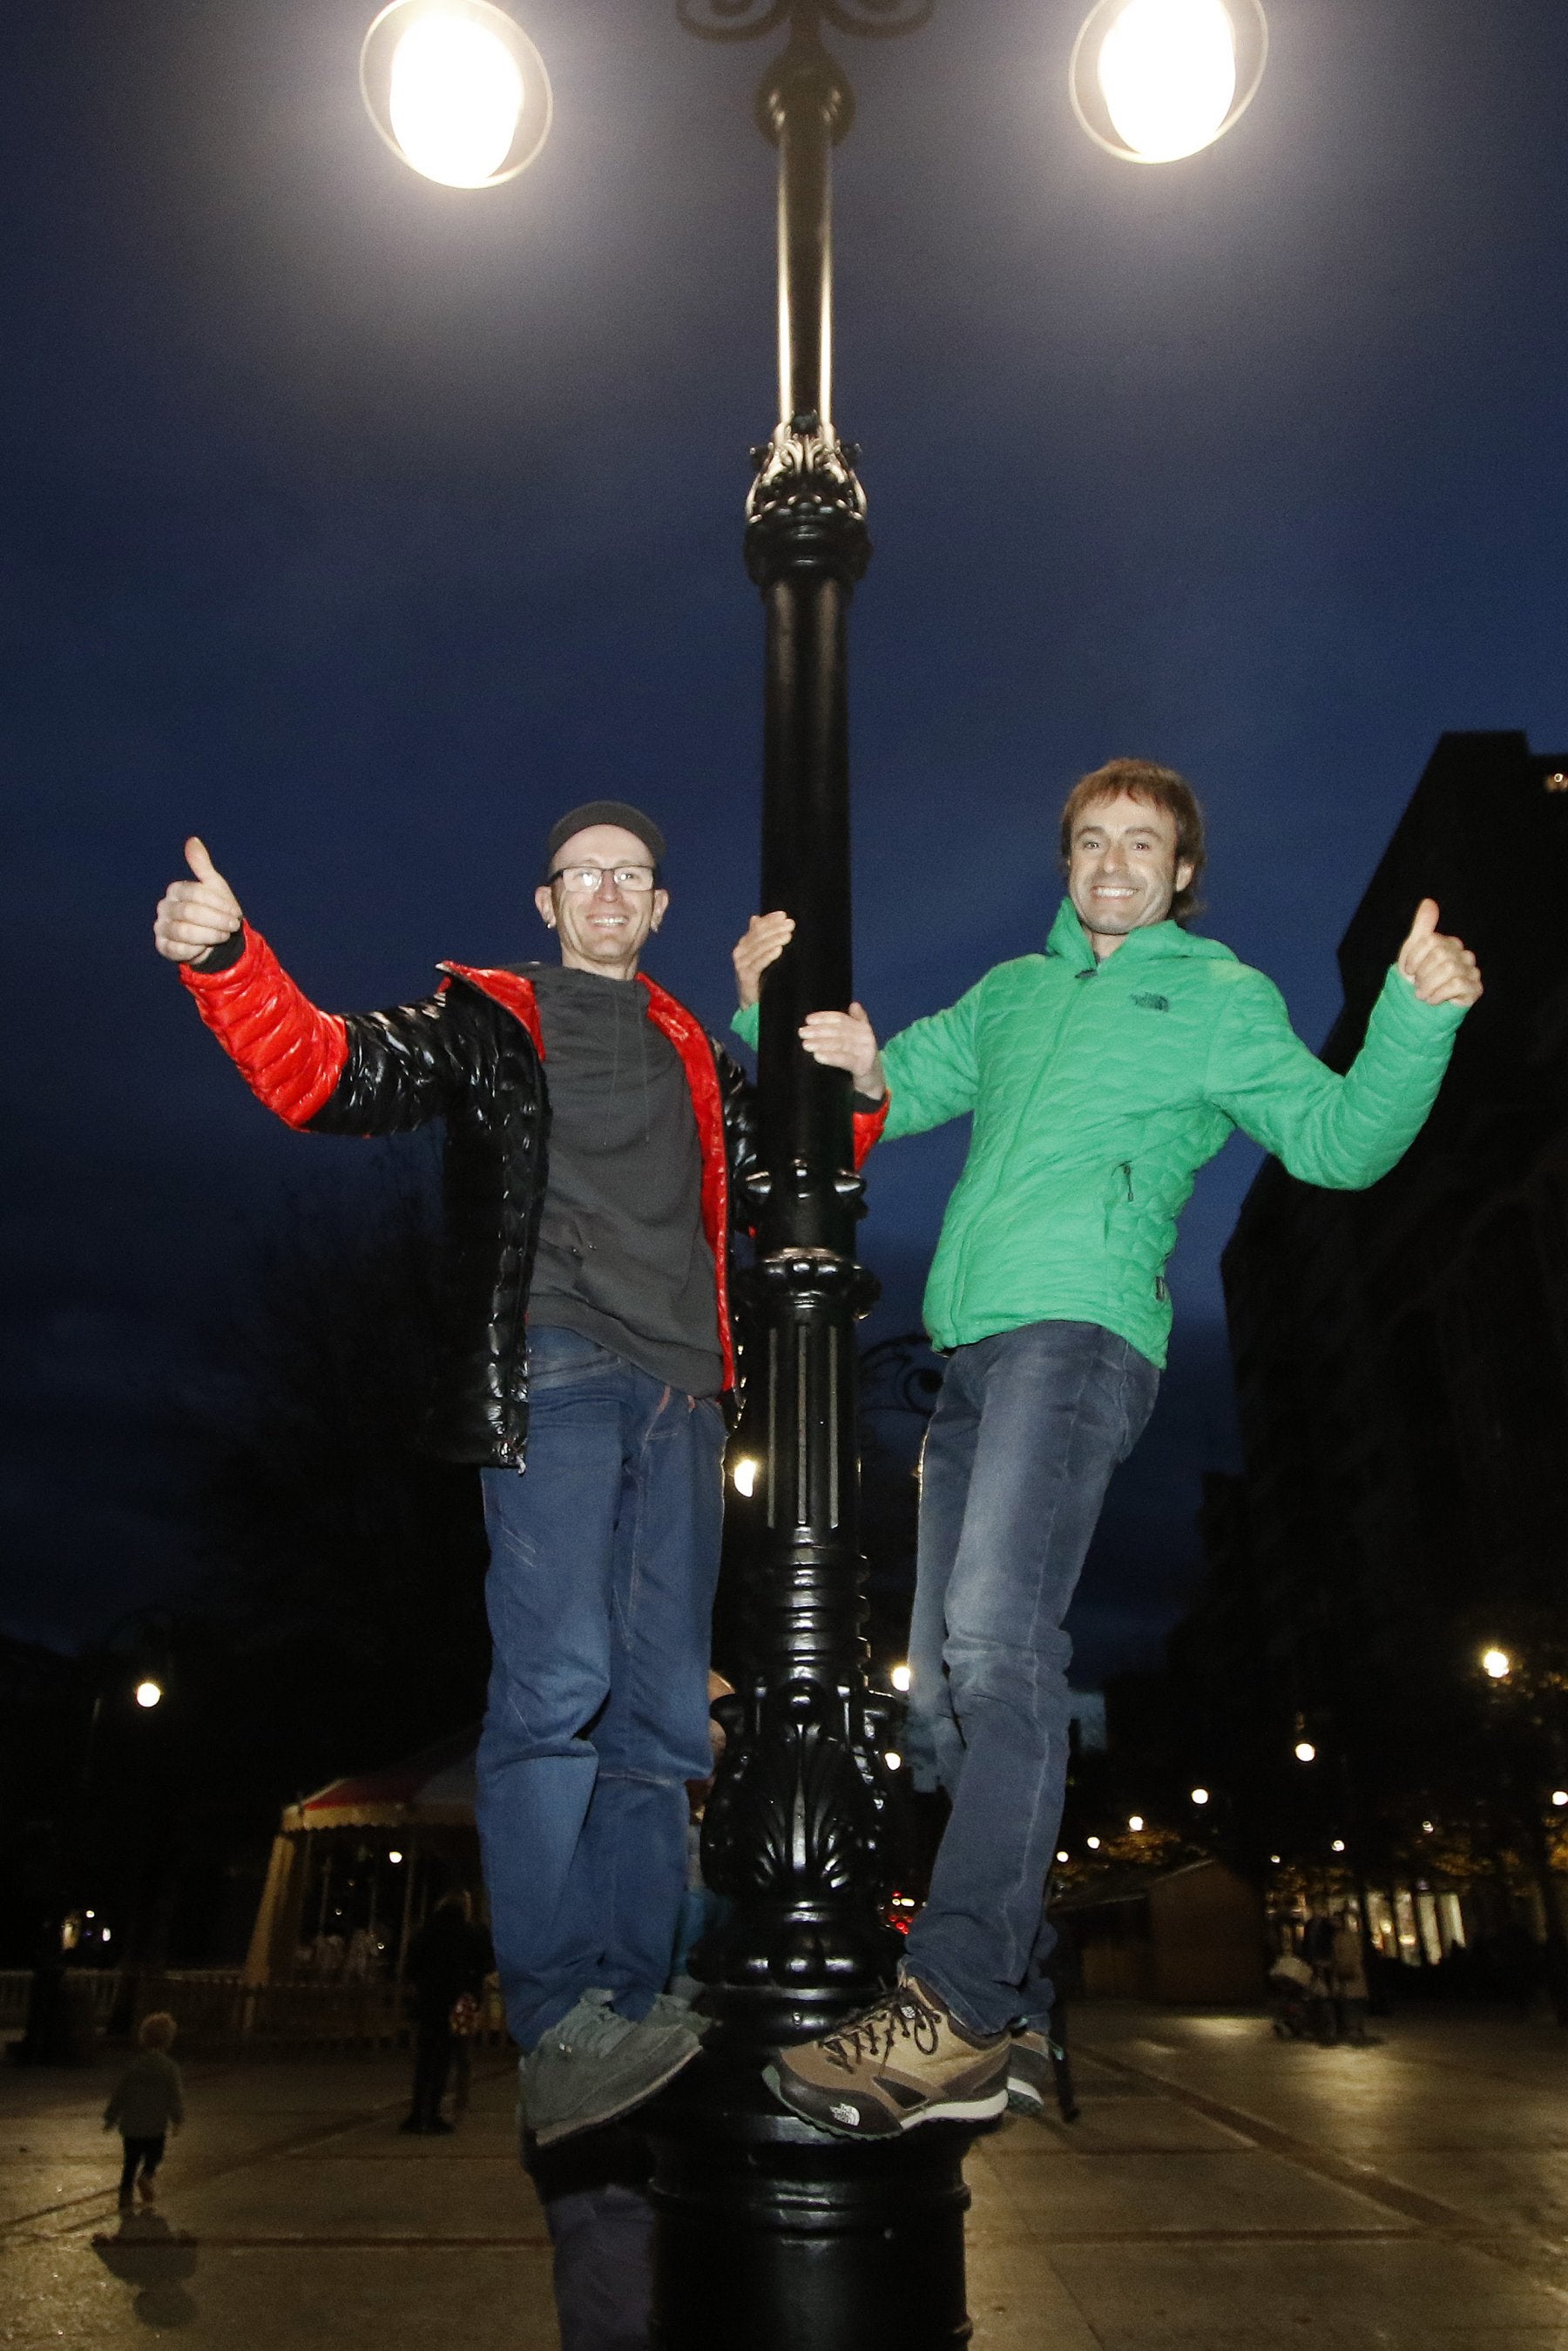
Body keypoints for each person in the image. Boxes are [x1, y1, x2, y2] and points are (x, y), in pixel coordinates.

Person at [731, 756, 1483, 2135]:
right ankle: (1010, 2011)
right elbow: (872, 1086)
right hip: (972, 1351)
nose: (1115, 861)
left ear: (1182, 872)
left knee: (999, 1641)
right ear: (1066, 860)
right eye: (1092, 839)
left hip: (1079, 1334)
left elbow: (1337, 1141)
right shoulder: (1013, 994)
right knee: (944, 1688)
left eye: (1144, 842)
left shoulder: (1217, 996)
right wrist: (769, 1006)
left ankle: (956, 2000)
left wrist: (1413, 1021)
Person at [153, 801, 773, 2146]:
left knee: (665, 1715)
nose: (606, 891)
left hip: (686, 1395)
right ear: (546, 901)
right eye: (581, 874)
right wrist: (228, 961)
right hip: (557, 1362)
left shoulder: (695, 1051)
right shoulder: (489, 1018)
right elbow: (328, 1073)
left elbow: (804, 1172)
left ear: (660, 905)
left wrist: (779, 1020)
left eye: (631, 875)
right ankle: (555, 2021)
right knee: (558, 1683)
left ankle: (633, 2004)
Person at [400, 1889, 492, 2134]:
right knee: (445, 2058)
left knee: (425, 2058)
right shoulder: (470, 1934)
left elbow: (411, 1968)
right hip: (457, 2004)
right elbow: (486, 1963)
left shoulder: (425, 1933)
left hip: (428, 2002)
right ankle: (433, 2114)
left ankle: (417, 2113)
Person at [103, 2012, 184, 2211]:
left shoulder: (134, 2066)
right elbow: (174, 2097)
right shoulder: (169, 2068)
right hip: (155, 2125)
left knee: (130, 2161)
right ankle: (147, 2175)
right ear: (169, 2040)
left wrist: (111, 2117)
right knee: (154, 2156)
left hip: (131, 2124)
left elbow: (120, 2093)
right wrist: (177, 2119)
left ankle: (125, 2194)